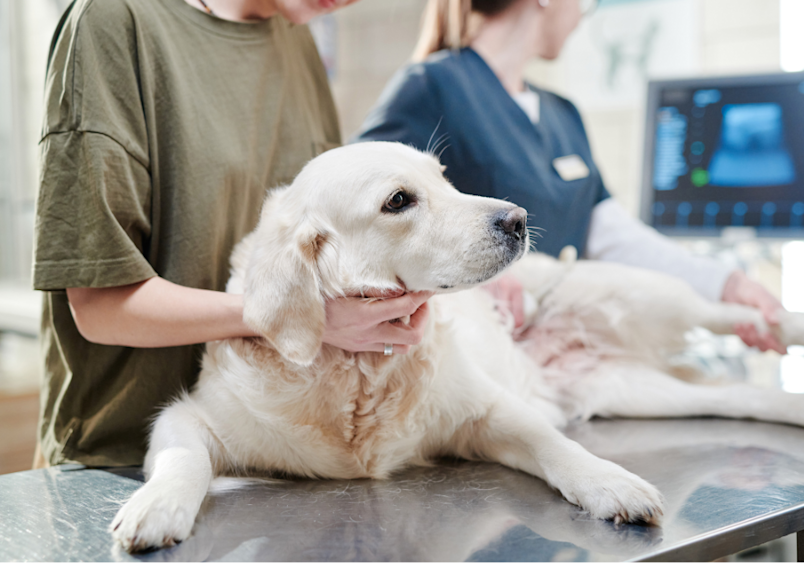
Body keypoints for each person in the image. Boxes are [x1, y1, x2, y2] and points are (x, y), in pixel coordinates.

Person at [33, 0, 432, 468]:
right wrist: (293, 314)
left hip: (276, 452)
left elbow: (322, 253)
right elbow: (101, 307)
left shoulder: (297, 39)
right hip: (119, 462)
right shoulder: (114, 23)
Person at [353, 0, 786, 353]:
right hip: (479, 360)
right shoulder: (430, 86)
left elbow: (612, 235)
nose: (582, 15)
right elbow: (356, 221)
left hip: (561, 354)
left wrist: (726, 283)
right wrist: (476, 286)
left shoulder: (563, 112)